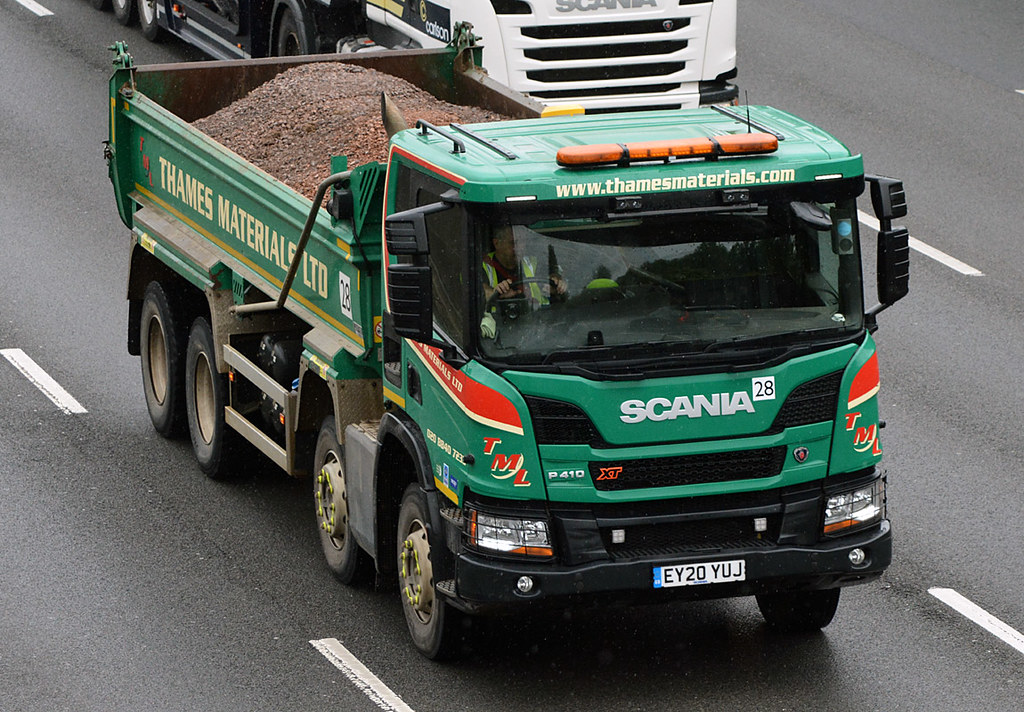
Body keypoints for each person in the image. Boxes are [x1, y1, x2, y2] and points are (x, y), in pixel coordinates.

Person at [481, 224, 567, 305]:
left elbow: (554, 276)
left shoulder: (533, 262)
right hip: (498, 319)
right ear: (497, 243)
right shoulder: (483, 265)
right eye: (513, 242)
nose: (519, 248)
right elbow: (481, 294)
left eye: (522, 242)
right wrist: (497, 293)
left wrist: (557, 285)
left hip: (537, 317)